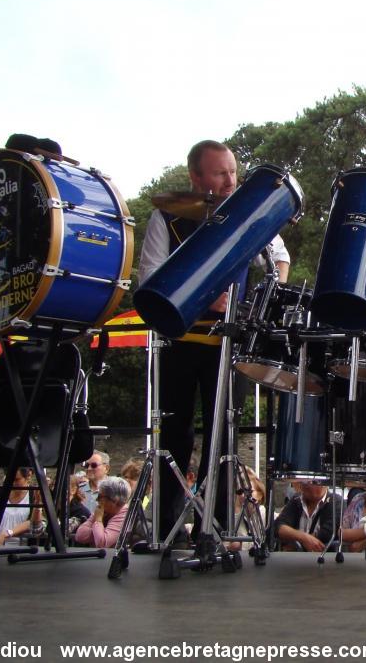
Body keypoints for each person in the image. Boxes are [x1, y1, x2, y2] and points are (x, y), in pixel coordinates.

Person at [137, 140, 291, 540]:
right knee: (175, 434)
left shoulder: (247, 215)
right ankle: (167, 528)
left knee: (224, 434)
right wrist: (200, 295)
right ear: (197, 178)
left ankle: (217, 526)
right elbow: (150, 277)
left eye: (233, 172)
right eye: (220, 173)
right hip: (180, 340)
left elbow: (280, 257)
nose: (230, 181)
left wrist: (261, 302)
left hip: (229, 343)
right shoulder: (166, 218)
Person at [274, 481, 345, 552]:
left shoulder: (336, 502)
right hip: (294, 559)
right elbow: (278, 526)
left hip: (324, 558)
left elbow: (328, 533)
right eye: (304, 480)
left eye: (314, 481)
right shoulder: (296, 499)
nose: (306, 483)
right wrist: (302, 538)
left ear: (324, 485)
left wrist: (296, 545)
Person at [74, 476, 130, 548]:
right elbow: (79, 536)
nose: (97, 499)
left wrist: (98, 521)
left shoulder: (125, 515)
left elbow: (102, 543)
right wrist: (98, 532)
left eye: (100, 496)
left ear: (114, 501)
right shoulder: (102, 510)